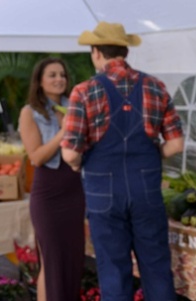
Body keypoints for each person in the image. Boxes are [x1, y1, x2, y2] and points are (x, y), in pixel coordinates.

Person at [60, 21, 184, 301]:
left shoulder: (83, 91)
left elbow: (69, 153)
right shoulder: (155, 86)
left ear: (96, 52)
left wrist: (80, 163)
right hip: (146, 189)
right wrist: (151, 155)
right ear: (125, 51)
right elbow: (176, 144)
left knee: (114, 271)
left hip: (103, 192)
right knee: (156, 267)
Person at [18, 57, 85, 301]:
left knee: (72, 258)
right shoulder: (30, 112)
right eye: (52, 75)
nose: (59, 79)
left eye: (62, 75)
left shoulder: (74, 106)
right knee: (53, 260)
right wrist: (64, 132)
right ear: (40, 81)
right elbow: (36, 157)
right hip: (49, 193)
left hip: (75, 190)